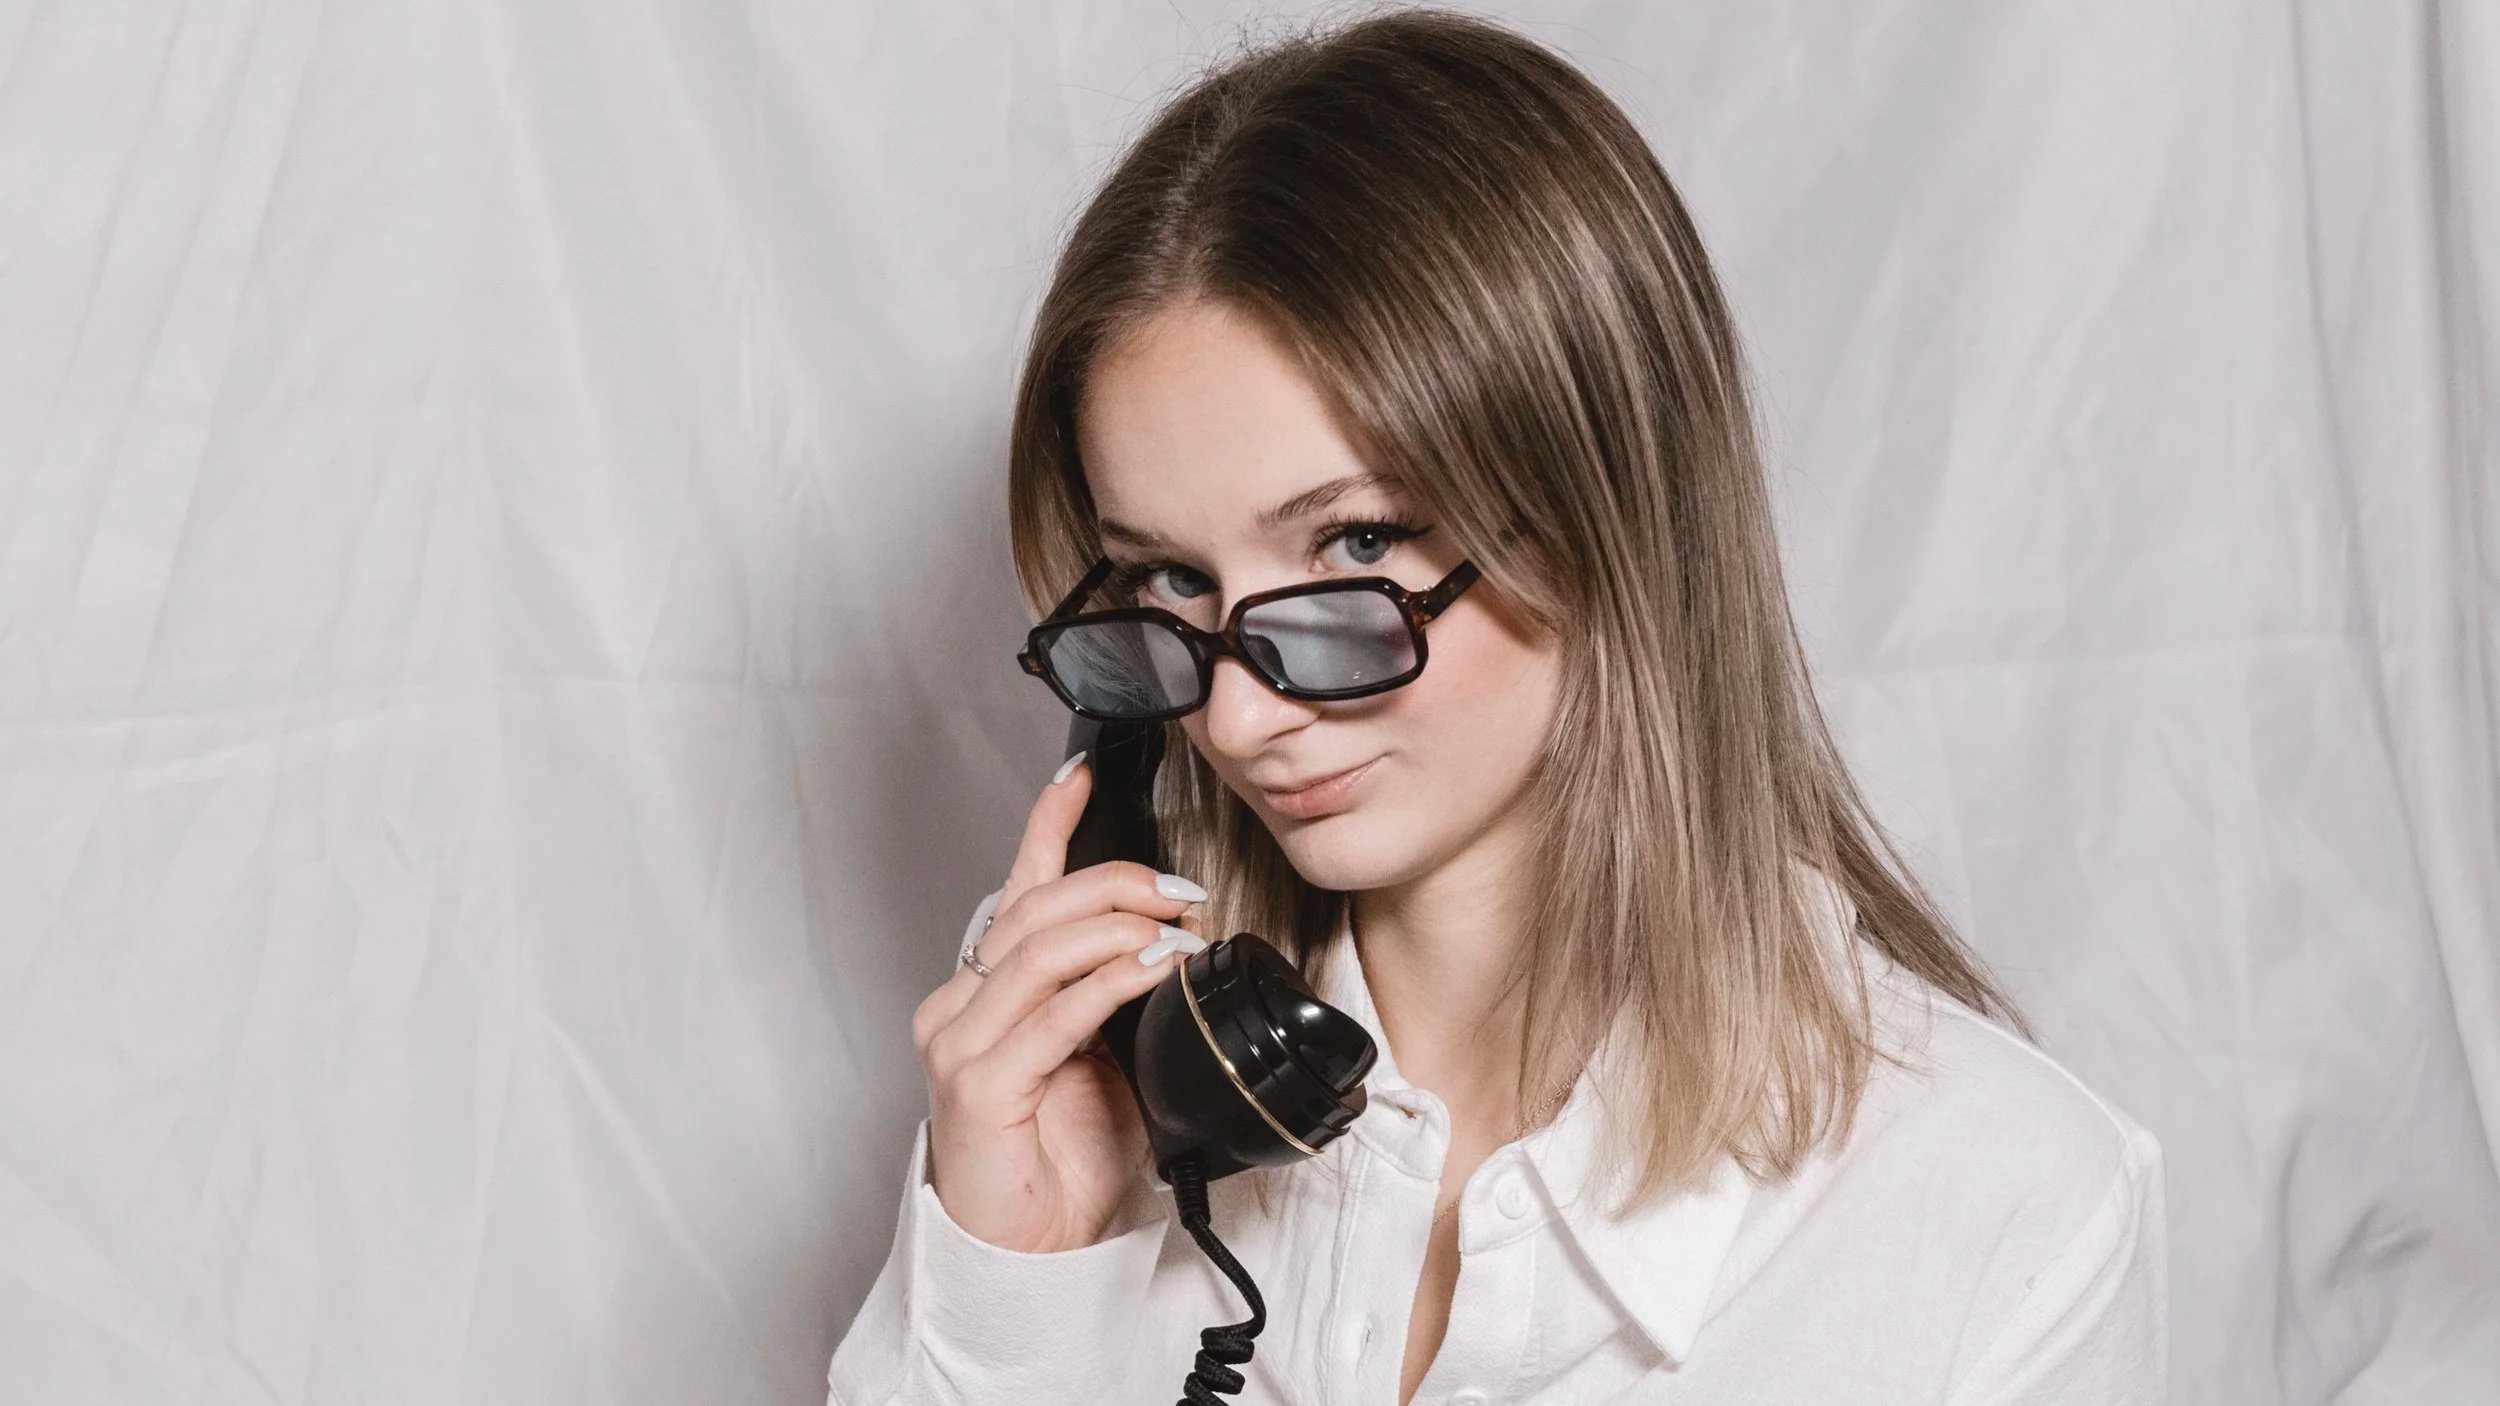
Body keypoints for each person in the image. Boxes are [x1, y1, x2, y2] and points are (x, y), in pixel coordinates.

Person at [827, 8, 2166, 1404]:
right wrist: (1017, 1287)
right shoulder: (1087, 1065)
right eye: (1169, 578)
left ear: (1607, 518)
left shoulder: (2005, 1213)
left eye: (1354, 546)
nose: (1231, 721)